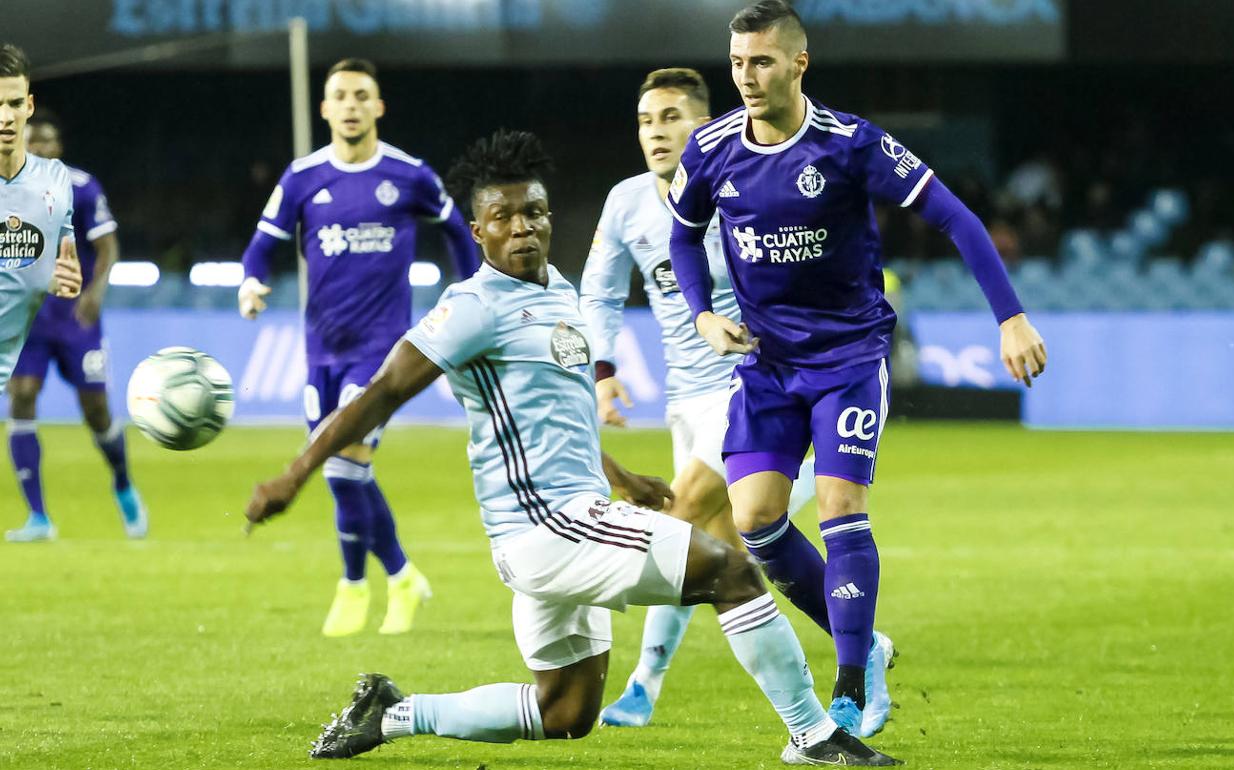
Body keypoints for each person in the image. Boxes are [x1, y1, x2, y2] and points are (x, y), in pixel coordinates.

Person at [244, 129, 899, 767]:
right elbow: (381, 392)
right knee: (730, 572)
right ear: (479, 233)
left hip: (570, 519)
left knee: (565, 712)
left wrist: (618, 476)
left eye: (533, 211)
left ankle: (389, 713)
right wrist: (294, 475)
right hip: (548, 528)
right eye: (503, 216)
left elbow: (554, 412)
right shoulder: (472, 306)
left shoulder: (559, 292)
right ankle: (814, 736)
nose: (522, 226)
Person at [666, 0, 1047, 737]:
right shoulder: (711, 148)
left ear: (799, 63)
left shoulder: (848, 144)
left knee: (841, 508)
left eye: (763, 62)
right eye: (738, 62)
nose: (747, 76)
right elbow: (685, 236)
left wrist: (1010, 316)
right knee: (755, 523)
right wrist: (703, 313)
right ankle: (866, 643)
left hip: (847, 357)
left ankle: (849, 686)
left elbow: (956, 218)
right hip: (767, 363)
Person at [583, 68, 900, 732]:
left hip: (751, 383)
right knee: (716, 557)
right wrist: (605, 368)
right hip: (684, 397)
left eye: (671, 117)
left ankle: (640, 675)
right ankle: (856, 657)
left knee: (677, 515)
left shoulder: (740, 184)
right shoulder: (626, 204)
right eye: (646, 120)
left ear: (704, 125)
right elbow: (602, 291)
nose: (656, 132)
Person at [238, 57, 479, 637]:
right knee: (340, 472)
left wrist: (474, 297)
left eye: (361, 95)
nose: (350, 105)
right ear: (325, 109)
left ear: (378, 106)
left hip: (382, 352)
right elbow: (261, 245)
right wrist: (251, 282)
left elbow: (457, 231)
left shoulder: (410, 174)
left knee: (344, 465)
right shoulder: (302, 178)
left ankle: (354, 585)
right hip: (319, 349)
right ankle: (402, 577)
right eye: (340, 95)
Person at [6, 112, 146, 543]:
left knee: (96, 410)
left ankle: (122, 482)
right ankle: (38, 517)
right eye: (34, 141)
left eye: (49, 141)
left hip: (74, 317)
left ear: (59, 147)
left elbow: (107, 246)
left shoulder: (81, 187)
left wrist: (96, 292)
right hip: (25, 318)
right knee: (22, 396)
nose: (42, 148)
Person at [0, 43, 83, 536]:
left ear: (28, 106)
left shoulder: (54, 181)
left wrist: (62, 279)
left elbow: (59, 261)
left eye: (13, 104)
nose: (4, 117)